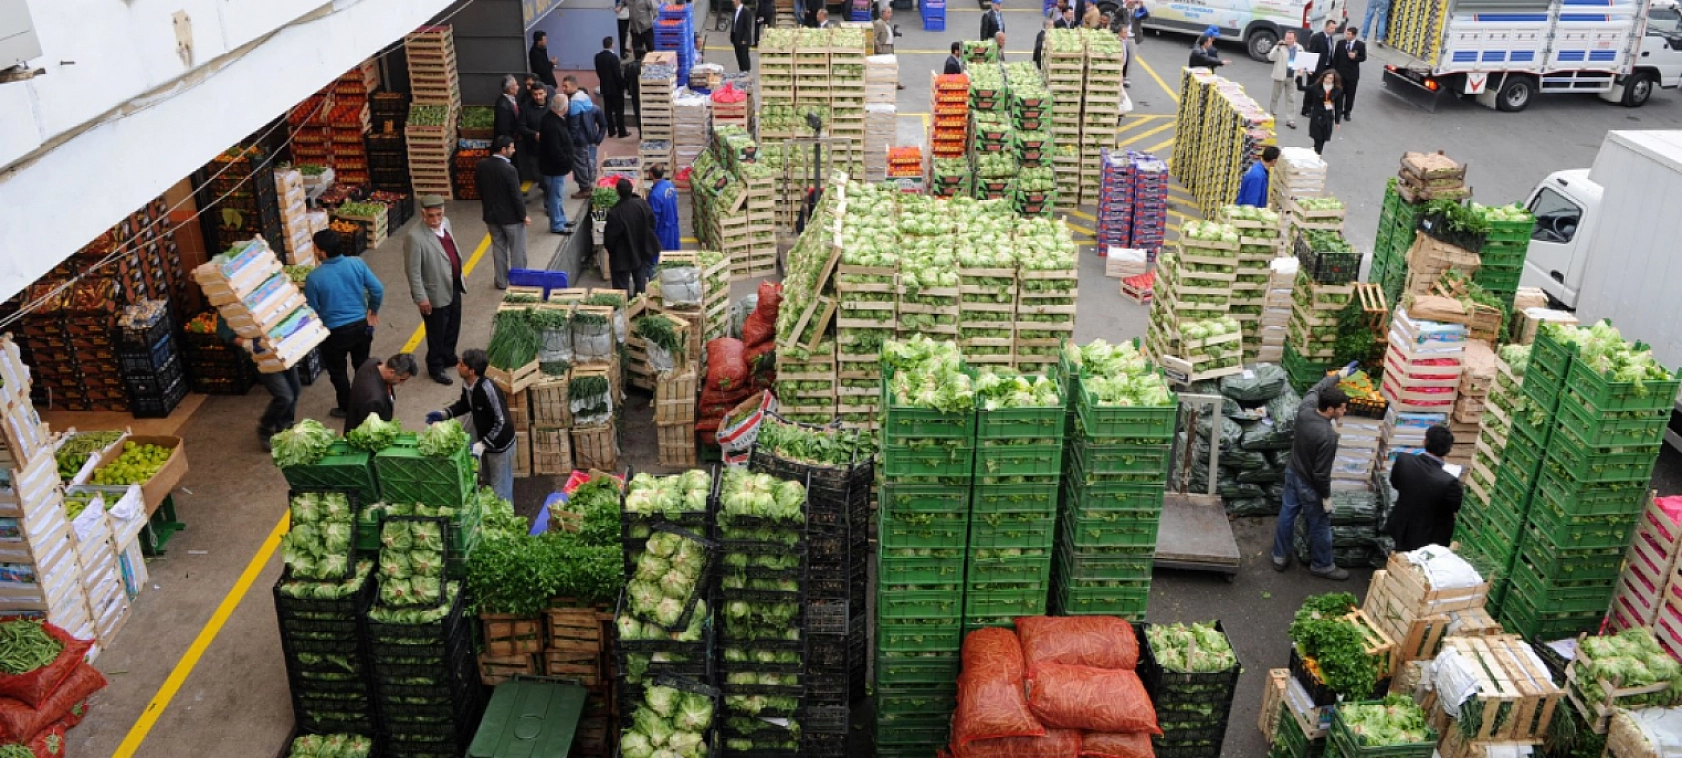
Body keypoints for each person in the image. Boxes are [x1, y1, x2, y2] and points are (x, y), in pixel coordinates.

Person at [1273, 368, 1354, 580]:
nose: (1344, 412)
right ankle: (1323, 565)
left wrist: (1339, 375)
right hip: (1309, 484)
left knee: (1287, 513)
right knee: (1319, 524)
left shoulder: (1306, 408)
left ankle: (1279, 556)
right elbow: (1321, 474)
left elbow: (1316, 388)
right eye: (1342, 409)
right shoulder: (1328, 436)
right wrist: (1325, 497)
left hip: (1293, 471)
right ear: (1330, 409)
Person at [303, 229, 383, 419]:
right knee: (362, 366)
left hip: (334, 333)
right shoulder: (357, 263)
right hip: (360, 327)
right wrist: (373, 311)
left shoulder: (314, 278)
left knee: (338, 371)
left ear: (322, 252)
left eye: (315, 247)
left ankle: (346, 406)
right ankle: (366, 401)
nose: (313, 250)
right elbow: (377, 289)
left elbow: (312, 310)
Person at [425, 349, 518, 503]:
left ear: (471, 371)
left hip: (501, 447)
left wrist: (483, 444)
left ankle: (507, 520)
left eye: (461, 364)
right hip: (487, 443)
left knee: (501, 489)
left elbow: (503, 422)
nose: (457, 366)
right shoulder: (468, 384)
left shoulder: (488, 390)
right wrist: (445, 414)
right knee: (489, 484)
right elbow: (466, 404)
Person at [404, 196, 466, 385]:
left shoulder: (446, 223)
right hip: (434, 293)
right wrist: (421, 298)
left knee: (453, 324)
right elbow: (413, 271)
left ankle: (448, 355)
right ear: (423, 214)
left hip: (453, 284)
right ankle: (435, 365)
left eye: (439, 214)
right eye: (431, 216)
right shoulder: (415, 237)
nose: (435, 219)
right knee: (436, 331)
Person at [216, 314, 300, 450]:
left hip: (282, 347)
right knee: (284, 396)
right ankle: (265, 428)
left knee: (295, 390)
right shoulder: (232, 303)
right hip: (262, 356)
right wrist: (245, 343)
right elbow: (223, 329)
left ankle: (285, 427)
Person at [1385, 425, 1464, 552]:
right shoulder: (1449, 482)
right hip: (1429, 539)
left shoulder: (1404, 461)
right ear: (1448, 450)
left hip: (1400, 525)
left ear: (1425, 442)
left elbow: (1395, 483)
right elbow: (1455, 507)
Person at [476, 136, 529, 290]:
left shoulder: (482, 165)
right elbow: (516, 195)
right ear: (503, 149)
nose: (514, 150)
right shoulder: (509, 170)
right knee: (517, 251)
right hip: (511, 218)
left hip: (491, 216)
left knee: (498, 249)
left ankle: (501, 281)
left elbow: (479, 189)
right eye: (511, 148)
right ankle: (519, 281)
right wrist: (523, 215)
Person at [604, 178, 660, 296]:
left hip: (621, 257)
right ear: (631, 189)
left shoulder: (615, 213)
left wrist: (612, 250)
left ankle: (624, 310)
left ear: (617, 192)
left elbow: (609, 240)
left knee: (621, 291)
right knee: (641, 285)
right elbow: (652, 223)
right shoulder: (642, 204)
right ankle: (640, 308)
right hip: (641, 251)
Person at [346, 354, 417, 434]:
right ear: (391, 372)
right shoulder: (375, 400)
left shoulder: (372, 362)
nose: (402, 383)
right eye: (401, 379)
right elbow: (370, 432)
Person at [563, 77, 607, 198]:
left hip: (580, 141)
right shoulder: (589, 105)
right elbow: (603, 125)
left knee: (580, 164)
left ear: (574, 86)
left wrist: (569, 142)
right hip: (590, 139)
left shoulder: (574, 104)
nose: (563, 89)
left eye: (566, 86)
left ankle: (585, 188)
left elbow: (574, 126)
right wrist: (597, 138)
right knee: (588, 161)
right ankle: (589, 183)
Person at [539, 96, 577, 235]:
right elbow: (555, 150)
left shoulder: (551, 120)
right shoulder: (553, 125)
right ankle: (557, 225)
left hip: (553, 167)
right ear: (564, 108)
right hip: (554, 168)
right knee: (555, 196)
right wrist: (567, 160)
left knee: (558, 195)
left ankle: (561, 219)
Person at [1298, 69, 1343, 155]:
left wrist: (1337, 121)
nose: (1327, 80)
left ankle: (1316, 153)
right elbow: (1301, 88)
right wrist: (1300, 76)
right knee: (1317, 138)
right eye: (1326, 77)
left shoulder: (1337, 90)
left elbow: (1339, 106)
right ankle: (1317, 154)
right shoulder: (1317, 86)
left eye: (1330, 78)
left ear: (1334, 80)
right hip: (1317, 116)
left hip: (1328, 117)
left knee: (1323, 139)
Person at [517, 79, 549, 189]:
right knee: (537, 172)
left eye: (540, 94)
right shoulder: (525, 108)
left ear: (545, 92)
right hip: (533, 147)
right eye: (535, 94)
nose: (538, 97)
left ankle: (547, 193)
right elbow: (521, 126)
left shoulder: (551, 106)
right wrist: (534, 134)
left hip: (549, 146)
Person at [1302, 19, 1337, 117]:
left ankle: (1316, 108)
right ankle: (1306, 109)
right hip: (1316, 68)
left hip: (1326, 68)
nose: (1333, 30)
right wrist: (1310, 67)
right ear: (1325, 27)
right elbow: (1311, 52)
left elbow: (1330, 53)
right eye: (1331, 28)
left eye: (1334, 28)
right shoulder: (1317, 37)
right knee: (1312, 89)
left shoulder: (1330, 38)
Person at [596, 38, 629, 137]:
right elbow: (617, 74)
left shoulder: (598, 57)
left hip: (605, 87)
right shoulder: (614, 57)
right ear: (611, 44)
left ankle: (611, 130)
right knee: (619, 111)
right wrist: (622, 85)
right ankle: (621, 131)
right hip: (615, 88)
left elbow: (599, 72)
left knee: (608, 110)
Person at [1268, 30, 1302, 128]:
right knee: (1275, 97)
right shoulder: (1280, 47)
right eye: (1286, 37)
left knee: (1291, 99)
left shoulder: (1299, 48)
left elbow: (1303, 61)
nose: (1287, 40)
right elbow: (1271, 57)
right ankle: (1273, 114)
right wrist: (1277, 47)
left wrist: (1301, 71)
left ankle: (1290, 119)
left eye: (1290, 38)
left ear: (1295, 39)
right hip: (1280, 76)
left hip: (1292, 76)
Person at [1332, 26, 1366, 121]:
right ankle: (1338, 110)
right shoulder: (1340, 43)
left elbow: (1363, 58)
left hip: (1352, 75)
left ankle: (1347, 112)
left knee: (1350, 94)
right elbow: (1336, 58)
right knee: (1339, 93)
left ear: (1354, 35)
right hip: (1340, 73)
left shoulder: (1360, 45)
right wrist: (1333, 71)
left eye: (1349, 34)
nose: (1347, 35)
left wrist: (1355, 57)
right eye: (1346, 33)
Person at [648, 164, 680, 258]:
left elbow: (655, 217)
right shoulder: (670, 186)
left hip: (663, 230)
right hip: (673, 225)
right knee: (674, 256)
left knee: (662, 258)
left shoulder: (655, 195)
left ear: (651, 174)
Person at [493, 75, 522, 142]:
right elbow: (504, 128)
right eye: (516, 85)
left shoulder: (512, 99)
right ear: (511, 88)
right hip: (508, 142)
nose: (518, 87)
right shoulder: (503, 106)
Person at [732, 0, 755, 71]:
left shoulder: (746, 11)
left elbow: (748, 27)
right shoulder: (735, 10)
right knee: (739, 57)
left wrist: (744, 39)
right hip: (736, 38)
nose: (732, 1)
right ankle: (741, 71)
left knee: (744, 58)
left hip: (743, 40)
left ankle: (746, 73)